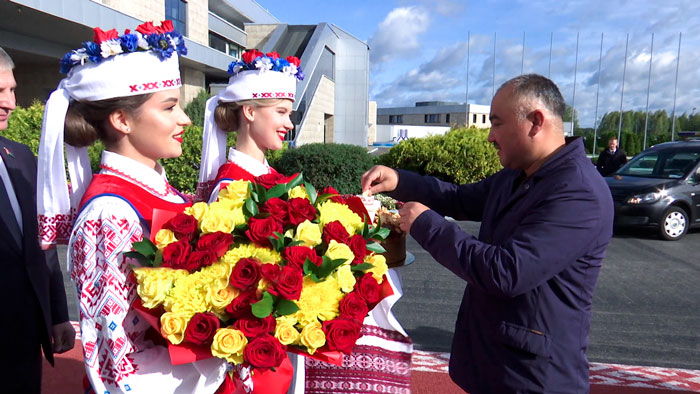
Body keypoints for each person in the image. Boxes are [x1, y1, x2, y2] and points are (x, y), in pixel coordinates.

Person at [362, 74, 614, 394]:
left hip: (534, 379)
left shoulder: (578, 193)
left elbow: (506, 271)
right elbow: (458, 198)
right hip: (495, 367)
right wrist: (400, 180)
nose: (490, 136)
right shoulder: (517, 175)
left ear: (536, 122)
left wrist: (426, 223)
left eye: (496, 124)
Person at [198, 49, 412, 394]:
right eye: (281, 112)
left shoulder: (264, 175)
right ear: (249, 112)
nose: (289, 123)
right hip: (254, 347)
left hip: (277, 339)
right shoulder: (231, 185)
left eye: (290, 113)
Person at [36, 22, 226, 393]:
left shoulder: (167, 194)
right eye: (169, 107)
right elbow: (114, 363)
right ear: (122, 119)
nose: (184, 119)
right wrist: (221, 356)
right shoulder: (109, 214)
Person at [0, 46, 75, 394]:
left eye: (12, 90)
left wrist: (58, 313)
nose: (11, 103)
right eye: (0, 92)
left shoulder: (22, 158)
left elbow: (42, 247)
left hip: (24, 340)